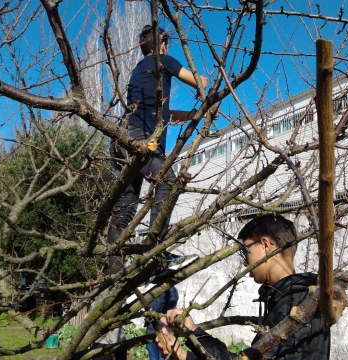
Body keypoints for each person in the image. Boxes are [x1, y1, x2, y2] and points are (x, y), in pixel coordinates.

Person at [156, 214, 331, 359]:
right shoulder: (288, 297)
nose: (245, 261)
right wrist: (188, 344)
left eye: (246, 250)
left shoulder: (295, 302)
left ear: (265, 245)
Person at [108, 25, 207, 275]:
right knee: (166, 181)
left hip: (124, 140)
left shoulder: (140, 72)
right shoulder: (162, 59)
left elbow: (162, 114)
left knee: (126, 205)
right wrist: (201, 85)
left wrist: (193, 115)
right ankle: (157, 254)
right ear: (162, 43)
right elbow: (200, 80)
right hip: (140, 139)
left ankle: (114, 268)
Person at [145, 287, 179, 360]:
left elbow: (170, 309)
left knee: (163, 357)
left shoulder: (171, 290)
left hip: (165, 331)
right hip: (151, 330)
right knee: (154, 358)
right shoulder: (151, 290)